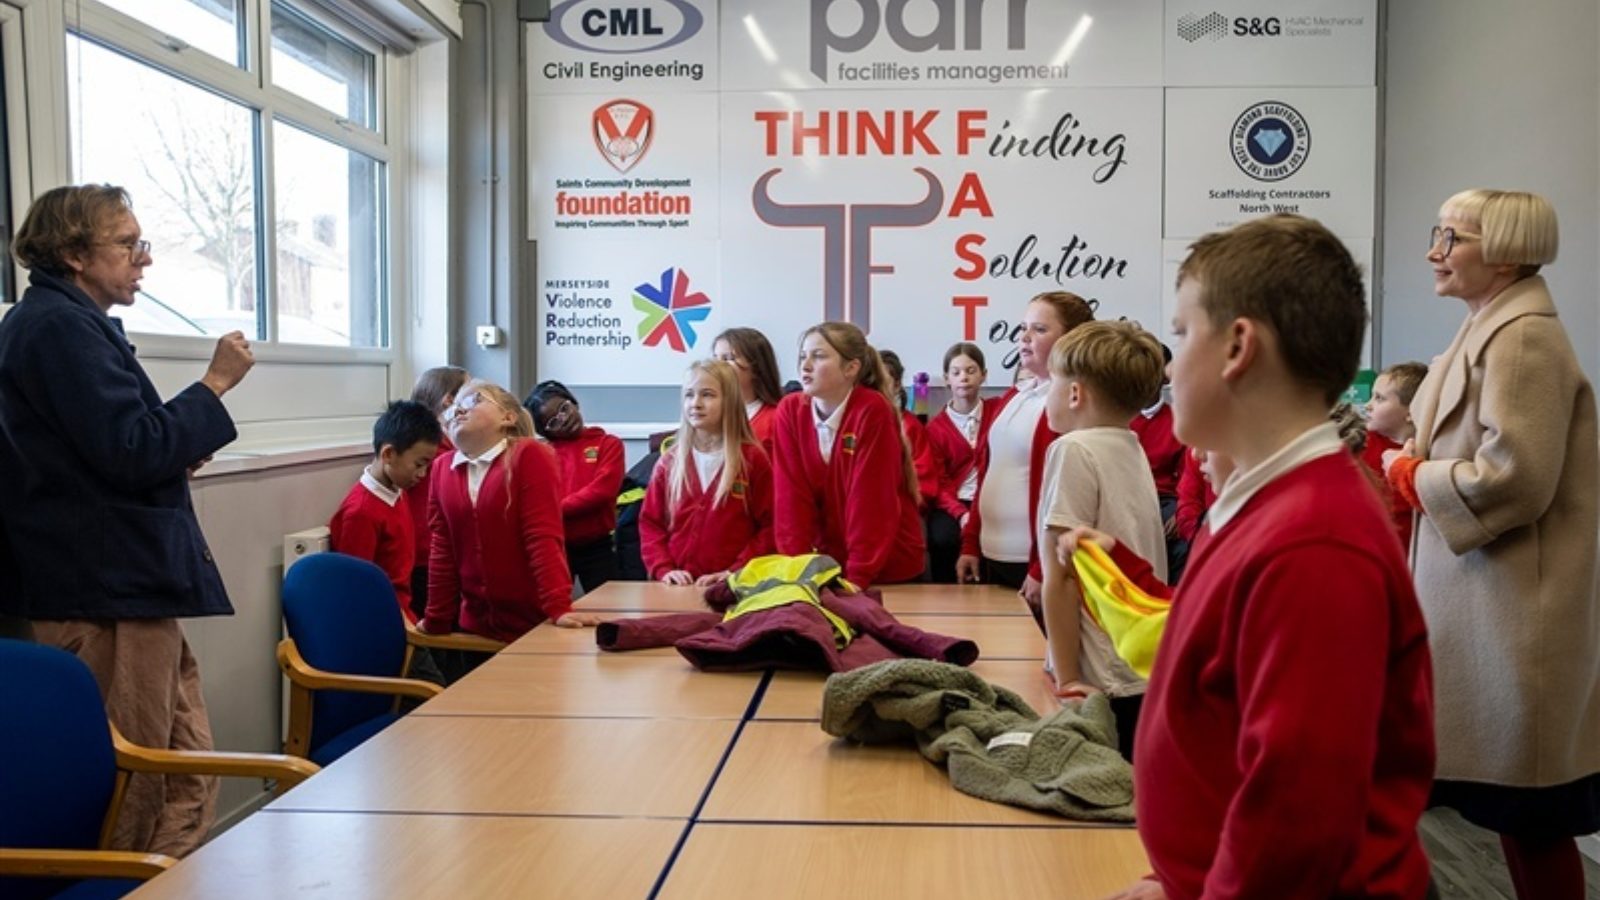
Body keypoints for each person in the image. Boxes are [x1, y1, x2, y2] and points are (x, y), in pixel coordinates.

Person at [1097, 214, 1434, 899]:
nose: (1170, 365)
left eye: (1182, 334)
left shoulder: (1315, 544)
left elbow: (1296, 815)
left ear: (1237, 347)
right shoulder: (1263, 506)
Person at [0, 183, 255, 856]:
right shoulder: (56, 327)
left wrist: (175, 449)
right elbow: (131, 450)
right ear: (74, 253)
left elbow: (106, 451)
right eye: (127, 244)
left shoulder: (65, 323)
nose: (144, 259)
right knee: (139, 779)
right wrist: (214, 385)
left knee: (184, 769)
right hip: (103, 591)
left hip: (123, 584)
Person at [1385, 190, 1599, 900]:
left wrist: (1414, 476)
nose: (1434, 252)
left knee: (1532, 817)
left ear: (1505, 255)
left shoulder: (1523, 338)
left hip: (1514, 615)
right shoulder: (1488, 329)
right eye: (1438, 233)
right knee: (1518, 815)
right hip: (1484, 607)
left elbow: (1517, 478)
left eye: (1454, 238)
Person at [1036, 321, 1167, 760]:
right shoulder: (1130, 444)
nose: (1047, 395)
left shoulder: (1072, 449)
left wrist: (1067, 675)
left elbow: (1062, 575)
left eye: (1051, 383)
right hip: (1137, 665)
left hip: (1100, 675)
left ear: (1075, 394)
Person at [421, 381, 599, 643]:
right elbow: (442, 547)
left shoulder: (528, 454)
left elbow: (542, 537)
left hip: (533, 622)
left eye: (473, 401)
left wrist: (558, 607)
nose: (459, 410)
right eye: (453, 407)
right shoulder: (441, 468)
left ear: (507, 417)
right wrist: (437, 617)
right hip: (475, 625)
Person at [955, 292, 1095, 622]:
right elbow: (988, 473)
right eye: (1023, 328)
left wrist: (1042, 567)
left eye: (1039, 329)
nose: (1024, 337)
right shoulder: (1014, 396)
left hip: (1033, 567)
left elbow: (1066, 494)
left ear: (1070, 339)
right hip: (992, 556)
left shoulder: (1070, 403)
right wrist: (971, 543)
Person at [771, 322, 925, 587]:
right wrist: (797, 575)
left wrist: (857, 578)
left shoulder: (872, 410)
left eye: (818, 356)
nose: (805, 365)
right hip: (830, 567)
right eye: (803, 356)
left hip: (886, 566)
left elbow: (870, 503)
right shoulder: (789, 411)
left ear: (851, 368)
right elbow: (790, 500)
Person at [640, 360, 774, 584]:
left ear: (730, 401)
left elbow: (770, 526)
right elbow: (650, 524)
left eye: (707, 395)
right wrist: (664, 568)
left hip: (733, 588)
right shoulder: (670, 462)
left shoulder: (752, 460)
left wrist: (736, 571)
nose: (696, 403)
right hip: (678, 589)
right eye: (689, 395)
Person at [328, 400, 442, 622]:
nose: (423, 474)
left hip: (405, 612)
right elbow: (356, 590)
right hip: (385, 622)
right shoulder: (360, 513)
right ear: (388, 454)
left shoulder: (398, 491)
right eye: (419, 464)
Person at [524, 381, 625, 595]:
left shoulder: (608, 443)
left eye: (564, 408)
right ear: (545, 431)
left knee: (607, 605)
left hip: (598, 546)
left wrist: (554, 510)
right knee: (551, 603)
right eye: (553, 421)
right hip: (555, 546)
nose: (564, 418)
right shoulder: (541, 453)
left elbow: (603, 490)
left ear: (574, 403)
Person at [923, 342, 997, 584]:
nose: (963, 378)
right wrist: (961, 513)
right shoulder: (935, 428)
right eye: (956, 372)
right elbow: (939, 481)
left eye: (971, 371)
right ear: (947, 379)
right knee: (943, 538)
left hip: (991, 497)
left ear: (983, 375)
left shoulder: (998, 411)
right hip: (955, 502)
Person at [404, 366, 469, 620]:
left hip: (436, 555)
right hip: (428, 558)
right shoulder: (436, 452)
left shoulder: (445, 446)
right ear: (449, 400)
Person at [1361, 361, 1426, 550]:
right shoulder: (1359, 444)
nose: (1367, 405)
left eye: (1379, 398)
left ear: (1411, 411)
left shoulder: (1427, 453)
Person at [878, 349, 942, 509]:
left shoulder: (911, 426)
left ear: (897, 384)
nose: (876, 388)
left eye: (883, 380)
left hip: (902, 507)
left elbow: (925, 481)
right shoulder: (858, 424)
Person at [712, 327, 785, 450]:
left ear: (756, 368)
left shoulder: (776, 419)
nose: (717, 366)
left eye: (728, 358)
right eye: (715, 358)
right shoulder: (708, 414)